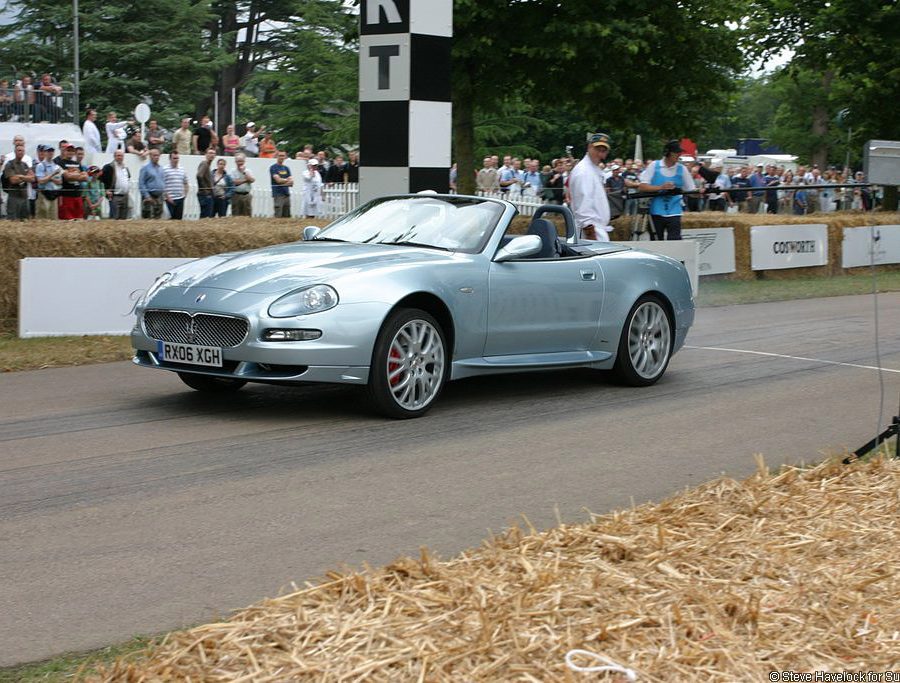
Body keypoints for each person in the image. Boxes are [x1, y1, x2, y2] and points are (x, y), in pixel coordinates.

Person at [637, 140, 695, 241]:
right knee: (656, 240)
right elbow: (642, 187)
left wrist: (700, 192)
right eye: (676, 152)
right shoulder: (654, 166)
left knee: (675, 240)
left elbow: (692, 190)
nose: (679, 154)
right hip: (656, 211)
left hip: (675, 211)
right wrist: (661, 187)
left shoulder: (682, 169)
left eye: (679, 152)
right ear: (668, 153)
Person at [568, 132, 613, 241]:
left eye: (603, 150)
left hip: (597, 229)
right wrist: (591, 235)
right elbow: (583, 207)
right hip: (591, 232)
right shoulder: (584, 172)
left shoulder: (593, 169)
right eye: (597, 149)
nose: (600, 153)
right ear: (589, 147)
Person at [3, 144, 34, 220]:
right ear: (15, 152)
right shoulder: (9, 164)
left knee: (25, 220)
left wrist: (21, 176)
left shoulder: (25, 165)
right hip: (13, 196)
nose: (21, 152)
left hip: (24, 196)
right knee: (12, 221)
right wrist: (26, 177)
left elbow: (32, 179)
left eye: (23, 151)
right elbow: (13, 180)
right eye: (19, 150)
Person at [57, 143, 88, 220]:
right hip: (66, 195)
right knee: (68, 219)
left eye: (72, 151)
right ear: (64, 151)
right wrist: (79, 176)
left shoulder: (77, 163)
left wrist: (73, 175)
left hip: (77, 194)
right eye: (68, 150)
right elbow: (67, 177)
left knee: (79, 218)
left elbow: (86, 177)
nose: (70, 152)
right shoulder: (60, 163)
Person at [101, 149, 131, 219]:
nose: (120, 157)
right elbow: (101, 179)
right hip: (115, 196)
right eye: (118, 155)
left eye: (121, 156)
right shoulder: (108, 167)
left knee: (123, 218)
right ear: (114, 156)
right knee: (114, 219)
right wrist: (106, 190)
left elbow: (128, 178)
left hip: (125, 196)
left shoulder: (125, 168)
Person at [34, 145, 62, 220]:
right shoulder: (40, 165)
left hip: (54, 194)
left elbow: (60, 182)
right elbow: (40, 181)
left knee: (53, 218)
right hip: (43, 194)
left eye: (52, 151)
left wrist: (49, 177)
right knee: (42, 218)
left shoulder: (56, 166)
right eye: (48, 151)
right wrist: (53, 174)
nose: (50, 153)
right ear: (45, 153)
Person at [139, 148, 166, 219]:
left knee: (158, 217)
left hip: (159, 197)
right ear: (150, 156)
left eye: (158, 155)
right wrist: (147, 196)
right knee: (148, 218)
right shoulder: (145, 168)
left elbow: (163, 181)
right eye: (155, 155)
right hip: (149, 196)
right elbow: (141, 183)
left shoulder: (161, 168)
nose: (157, 157)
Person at [163, 151, 188, 220]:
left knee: (178, 220)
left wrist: (185, 194)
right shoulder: (165, 169)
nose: (176, 160)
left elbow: (185, 183)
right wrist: (168, 197)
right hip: (169, 199)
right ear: (170, 159)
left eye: (177, 158)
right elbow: (163, 185)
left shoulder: (182, 169)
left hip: (180, 199)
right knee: (170, 219)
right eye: (174, 158)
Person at [270, 149, 293, 218]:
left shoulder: (286, 168)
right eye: (280, 156)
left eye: (283, 156)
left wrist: (283, 181)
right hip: (278, 194)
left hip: (286, 194)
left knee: (287, 215)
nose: (281, 157)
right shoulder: (273, 167)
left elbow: (291, 183)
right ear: (277, 156)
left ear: (285, 157)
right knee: (278, 214)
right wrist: (286, 180)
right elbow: (278, 180)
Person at [196, 147, 216, 218]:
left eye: (213, 153)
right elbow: (199, 176)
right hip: (205, 195)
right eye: (210, 153)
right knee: (206, 216)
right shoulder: (204, 163)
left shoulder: (208, 165)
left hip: (207, 194)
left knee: (206, 216)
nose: (212, 155)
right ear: (206, 155)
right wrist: (205, 189)